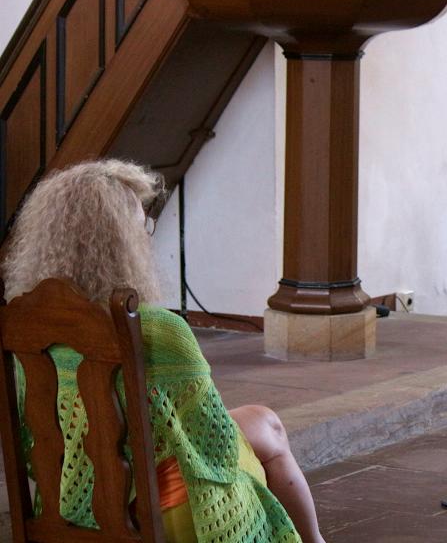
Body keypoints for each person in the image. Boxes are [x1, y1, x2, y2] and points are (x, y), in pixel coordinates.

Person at [2, 159, 326, 543]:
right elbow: (214, 443)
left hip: (71, 504)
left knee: (261, 421)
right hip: (165, 513)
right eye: (141, 229)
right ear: (121, 244)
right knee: (267, 427)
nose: (148, 238)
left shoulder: (23, 326)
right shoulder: (156, 329)